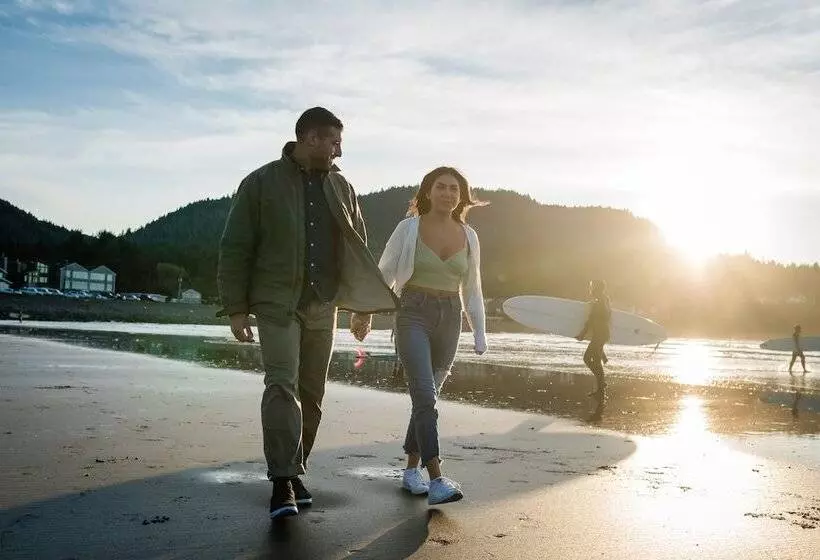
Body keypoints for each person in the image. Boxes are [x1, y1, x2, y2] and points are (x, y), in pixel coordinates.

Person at [217, 107, 398, 520]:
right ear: (311, 138)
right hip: (276, 303)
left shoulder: (342, 187)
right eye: (334, 142)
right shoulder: (261, 182)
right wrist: (236, 308)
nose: (339, 151)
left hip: (324, 305)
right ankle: (282, 482)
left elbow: (357, 250)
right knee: (282, 385)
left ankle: (297, 470)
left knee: (312, 394)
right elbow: (236, 247)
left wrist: (361, 308)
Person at [353, 166, 487, 505]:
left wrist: (479, 332)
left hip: (450, 318)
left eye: (454, 189)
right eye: (441, 187)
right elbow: (384, 271)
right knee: (425, 396)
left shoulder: (469, 235)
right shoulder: (408, 228)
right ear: (428, 191)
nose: (448, 193)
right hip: (412, 312)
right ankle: (436, 477)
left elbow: (472, 289)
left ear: (461, 195)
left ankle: (411, 470)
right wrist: (364, 312)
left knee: (427, 398)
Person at [576, 280, 611, 395]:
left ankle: (601, 385)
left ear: (596, 288)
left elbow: (591, 320)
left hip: (600, 334)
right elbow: (605, 316)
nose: (590, 289)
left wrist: (582, 334)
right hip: (601, 334)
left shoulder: (599, 302)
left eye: (592, 286)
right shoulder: (604, 300)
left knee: (588, 359)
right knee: (595, 360)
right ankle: (601, 385)